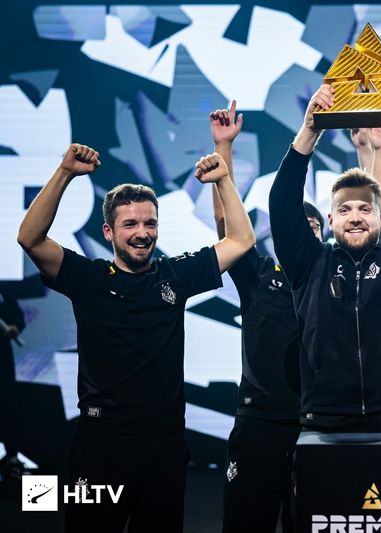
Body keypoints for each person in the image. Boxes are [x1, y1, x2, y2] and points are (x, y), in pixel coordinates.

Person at [17, 142, 255, 532]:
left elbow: (241, 241)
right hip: (100, 444)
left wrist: (223, 180)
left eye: (150, 224)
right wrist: (65, 173)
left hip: (165, 443)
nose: (142, 233)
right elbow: (29, 238)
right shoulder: (88, 278)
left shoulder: (175, 275)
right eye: (130, 224)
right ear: (108, 231)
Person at [268, 78, 381, 432]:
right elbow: (282, 202)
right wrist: (309, 131)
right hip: (325, 417)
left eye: (365, 209)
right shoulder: (310, 264)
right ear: (330, 219)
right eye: (345, 209)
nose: (355, 217)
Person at [206, 102, 324, 533]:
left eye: (313, 227)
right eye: (296, 226)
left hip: (317, 423)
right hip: (259, 422)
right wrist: (223, 147)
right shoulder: (256, 274)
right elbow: (227, 227)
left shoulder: (335, 278)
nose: (304, 233)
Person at [0, 284, 25, 482]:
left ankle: (11, 458)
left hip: (2, 357)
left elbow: (17, 316)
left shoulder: (2, 289)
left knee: (7, 404)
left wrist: (15, 326)